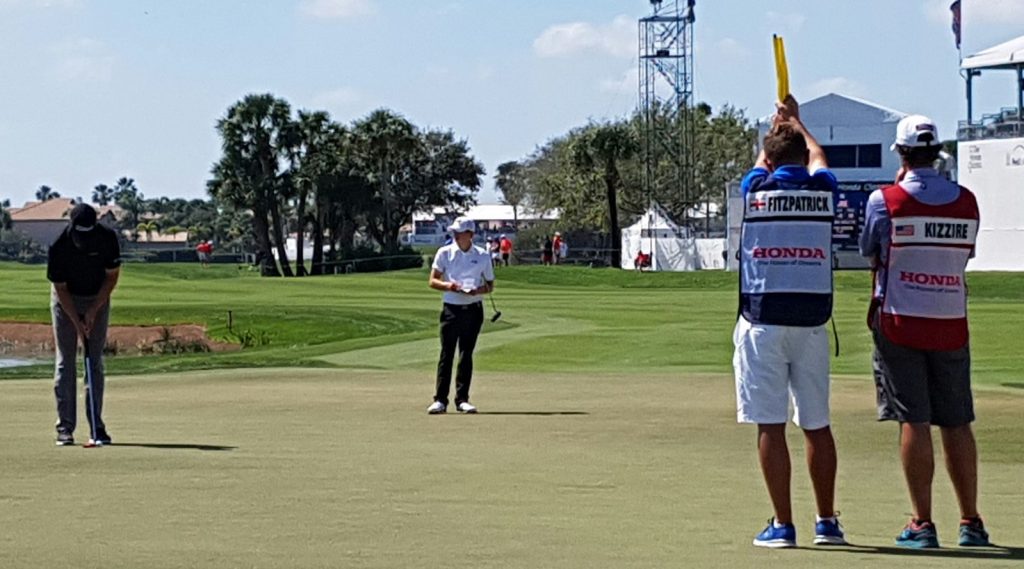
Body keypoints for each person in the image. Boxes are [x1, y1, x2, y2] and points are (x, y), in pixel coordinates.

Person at [859, 115, 989, 548]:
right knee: (957, 420)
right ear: (937, 153)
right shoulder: (967, 201)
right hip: (951, 319)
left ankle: (922, 522)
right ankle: (971, 521)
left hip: (899, 320)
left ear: (901, 153)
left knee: (912, 419)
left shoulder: (885, 200)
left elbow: (869, 251)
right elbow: (965, 253)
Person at [734, 95, 845, 548]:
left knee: (770, 424)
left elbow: (767, 159)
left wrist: (777, 127)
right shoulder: (823, 191)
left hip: (763, 319)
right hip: (811, 320)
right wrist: (798, 122)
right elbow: (818, 157)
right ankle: (826, 521)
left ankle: (783, 524)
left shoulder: (755, 190)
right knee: (816, 423)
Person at [47, 203, 121, 446]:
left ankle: (96, 426)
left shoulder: (107, 239)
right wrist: (78, 325)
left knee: (94, 360)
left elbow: (111, 277)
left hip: (97, 296)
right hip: (65, 299)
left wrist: (92, 310)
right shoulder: (60, 245)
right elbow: (61, 289)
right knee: (65, 361)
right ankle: (65, 427)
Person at [427, 216, 495, 414]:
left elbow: (490, 285)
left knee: (466, 354)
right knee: (446, 354)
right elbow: (433, 281)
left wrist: (477, 291)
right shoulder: (445, 253)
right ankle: (440, 400)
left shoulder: (482, 255)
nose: (456, 235)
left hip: (473, 309)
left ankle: (462, 399)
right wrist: (449, 286)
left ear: (470, 235)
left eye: (460, 232)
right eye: (454, 232)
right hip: (451, 308)